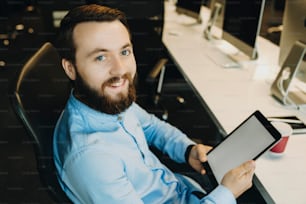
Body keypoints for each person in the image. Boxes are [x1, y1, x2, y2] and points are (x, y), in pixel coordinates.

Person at [53, 4, 256, 204]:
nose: (120, 70)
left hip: (180, 187)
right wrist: (226, 194)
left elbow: (151, 126)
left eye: (124, 52)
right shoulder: (92, 159)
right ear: (70, 68)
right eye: (101, 57)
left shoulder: (106, 101)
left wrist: (187, 150)